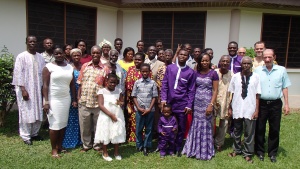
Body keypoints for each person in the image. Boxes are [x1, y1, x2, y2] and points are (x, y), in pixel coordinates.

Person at [254, 49, 291, 163]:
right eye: (265, 57)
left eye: (269, 57)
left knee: (274, 129)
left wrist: (287, 104)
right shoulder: (258, 70)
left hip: (275, 104)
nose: (267, 59)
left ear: (274, 57)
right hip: (262, 104)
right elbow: (254, 88)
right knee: (259, 128)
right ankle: (259, 151)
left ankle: (272, 153)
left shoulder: (281, 70)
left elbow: (285, 87)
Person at [182, 53, 219, 160]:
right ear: (199, 61)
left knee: (206, 125)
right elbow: (192, 88)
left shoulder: (213, 73)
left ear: (210, 61)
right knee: (196, 124)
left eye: (206, 60)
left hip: (207, 102)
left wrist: (211, 105)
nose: (204, 62)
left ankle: (204, 150)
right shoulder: (195, 73)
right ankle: (193, 148)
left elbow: (215, 90)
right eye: (202, 60)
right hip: (196, 103)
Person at [42, 46, 77, 158]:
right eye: (56, 53)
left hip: (65, 99)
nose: (59, 55)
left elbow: (72, 85)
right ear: (53, 54)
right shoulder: (48, 67)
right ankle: (53, 150)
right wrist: (46, 101)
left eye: (60, 53)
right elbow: (45, 85)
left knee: (63, 124)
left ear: (64, 53)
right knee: (54, 125)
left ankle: (60, 146)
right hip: (53, 99)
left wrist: (74, 99)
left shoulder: (69, 67)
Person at [161, 49, 196, 156]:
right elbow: (165, 84)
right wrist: (163, 99)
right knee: (167, 125)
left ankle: (177, 147)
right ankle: (166, 146)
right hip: (169, 104)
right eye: (180, 54)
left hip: (182, 104)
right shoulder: (170, 68)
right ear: (177, 55)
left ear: (187, 57)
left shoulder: (190, 72)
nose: (182, 56)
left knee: (180, 128)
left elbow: (191, 90)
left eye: (185, 55)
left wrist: (189, 105)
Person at [12, 35, 45, 145]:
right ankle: (26, 136)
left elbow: (43, 74)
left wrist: (42, 89)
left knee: (37, 111)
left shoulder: (40, 57)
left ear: (37, 43)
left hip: (37, 89)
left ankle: (34, 133)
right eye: (30, 41)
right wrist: (23, 89)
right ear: (26, 42)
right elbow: (18, 74)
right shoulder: (21, 57)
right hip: (25, 89)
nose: (32, 43)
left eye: (34, 41)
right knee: (26, 112)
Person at [227, 56, 261, 163]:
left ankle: (247, 153)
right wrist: (229, 107)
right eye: (244, 63)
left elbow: (257, 94)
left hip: (250, 108)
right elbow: (231, 93)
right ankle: (236, 150)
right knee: (237, 131)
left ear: (251, 65)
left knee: (249, 132)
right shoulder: (236, 77)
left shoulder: (256, 77)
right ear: (241, 65)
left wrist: (256, 110)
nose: (246, 65)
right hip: (237, 108)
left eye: (248, 64)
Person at [77, 45, 110, 152]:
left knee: (98, 126)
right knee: (84, 126)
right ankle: (86, 145)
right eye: (94, 53)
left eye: (98, 53)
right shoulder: (85, 66)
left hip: (98, 103)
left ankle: (97, 145)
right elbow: (80, 84)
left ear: (100, 54)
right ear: (91, 54)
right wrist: (78, 98)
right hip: (84, 101)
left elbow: (106, 87)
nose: (95, 55)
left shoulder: (105, 69)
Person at [94, 73, 126, 161]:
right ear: (106, 82)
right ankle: (105, 152)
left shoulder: (119, 91)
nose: (112, 84)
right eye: (111, 82)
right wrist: (111, 115)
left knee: (116, 132)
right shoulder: (102, 91)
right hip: (106, 115)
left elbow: (121, 102)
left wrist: (120, 103)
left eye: (114, 82)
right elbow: (101, 105)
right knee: (105, 132)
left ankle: (116, 152)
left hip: (117, 114)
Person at [132, 63, 158, 156]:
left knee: (149, 129)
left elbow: (154, 97)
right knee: (139, 128)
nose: (145, 73)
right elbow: (134, 96)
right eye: (143, 71)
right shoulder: (137, 82)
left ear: (149, 72)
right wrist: (138, 107)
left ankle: (147, 146)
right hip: (139, 110)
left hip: (150, 110)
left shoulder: (153, 83)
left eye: (146, 71)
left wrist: (149, 109)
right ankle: (139, 145)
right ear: (140, 72)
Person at [125, 52, 151, 142]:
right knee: (131, 117)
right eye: (135, 59)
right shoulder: (130, 69)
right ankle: (132, 137)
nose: (137, 61)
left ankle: (141, 138)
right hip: (131, 98)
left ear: (143, 60)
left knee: (141, 117)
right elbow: (126, 84)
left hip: (142, 99)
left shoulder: (145, 70)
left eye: (139, 59)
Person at [62, 48, 82, 149]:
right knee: (72, 117)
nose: (76, 57)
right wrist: (74, 98)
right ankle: (70, 139)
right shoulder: (68, 67)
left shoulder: (84, 67)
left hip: (82, 95)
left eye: (78, 55)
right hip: (71, 94)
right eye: (74, 55)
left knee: (81, 118)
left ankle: (80, 140)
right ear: (71, 56)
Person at [214, 55, 233, 152]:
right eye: (223, 61)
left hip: (225, 102)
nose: (225, 63)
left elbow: (234, 92)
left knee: (224, 123)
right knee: (210, 121)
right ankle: (208, 140)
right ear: (220, 62)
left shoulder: (232, 75)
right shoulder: (214, 73)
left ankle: (219, 143)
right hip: (213, 101)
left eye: (227, 61)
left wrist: (230, 107)